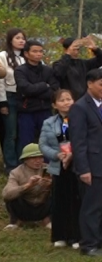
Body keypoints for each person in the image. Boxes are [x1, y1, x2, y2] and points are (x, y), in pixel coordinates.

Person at [69, 69, 102, 257]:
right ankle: (88, 244)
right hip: (91, 164)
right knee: (92, 205)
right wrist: (83, 169)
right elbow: (78, 141)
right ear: (89, 84)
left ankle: (101, 237)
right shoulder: (80, 107)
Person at [40, 89, 80, 247]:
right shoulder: (49, 123)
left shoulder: (80, 119)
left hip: (76, 164)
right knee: (60, 201)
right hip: (58, 166)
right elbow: (43, 144)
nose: (66, 102)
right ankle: (60, 236)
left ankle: (76, 236)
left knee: (76, 201)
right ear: (54, 105)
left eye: (69, 99)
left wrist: (72, 154)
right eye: (62, 100)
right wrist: (57, 155)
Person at [14, 40, 59, 150]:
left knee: (49, 140)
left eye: (40, 51)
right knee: (27, 143)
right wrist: (44, 85)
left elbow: (54, 90)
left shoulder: (48, 70)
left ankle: (48, 166)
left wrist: (35, 91)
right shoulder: (20, 70)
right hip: (27, 111)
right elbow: (26, 89)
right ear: (26, 53)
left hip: (45, 110)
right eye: (34, 51)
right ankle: (28, 166)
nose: (38, 54)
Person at [3, 143, 52, 230]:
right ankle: (15, 222)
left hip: (43, 206)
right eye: (33, 158)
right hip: (24, 207)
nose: (38, 161)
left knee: (57, 192)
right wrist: (27, 186)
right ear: (25, 160)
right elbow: (6, 194)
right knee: (12, 197)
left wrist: (52, 184)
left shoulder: (49, 169)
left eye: (40, 157)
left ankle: (48, 220)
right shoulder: (16, 172)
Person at [1, 28, 26, 170]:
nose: (21, 40)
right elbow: (0, 81)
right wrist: (2, 102)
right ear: (10, 40)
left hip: (24, 98)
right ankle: (10, 164)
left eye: (23, 38)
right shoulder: (2, 56)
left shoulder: (26, 57)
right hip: (9, 97)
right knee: (11, 133)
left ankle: (21, 162)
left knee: (22, 131)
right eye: (18, 38)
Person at [53, 36, 102, 100]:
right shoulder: (59, 64)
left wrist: (95, 49)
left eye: (77, 48)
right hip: (68, 100)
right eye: (74, 47)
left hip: (84, 100)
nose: (76, 49)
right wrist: (68, 55)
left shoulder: (84, 63)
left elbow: (101, 60)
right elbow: (59, 73)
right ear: (65, 49)